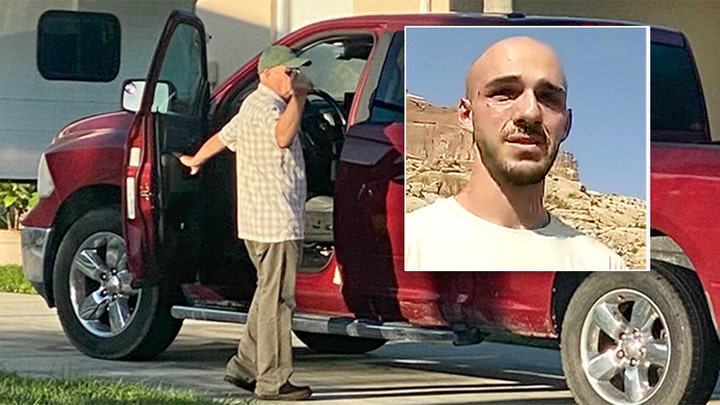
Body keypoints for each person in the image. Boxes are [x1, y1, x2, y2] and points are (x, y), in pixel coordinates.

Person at [405, 36, 627, 271]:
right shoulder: (411, 245)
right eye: (504, 93)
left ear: (567, 125)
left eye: (548, 97)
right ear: (466, 116)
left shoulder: (602, 265)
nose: (530, 112)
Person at [179, 45, 312, 400]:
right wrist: (299, 99)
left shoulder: (249, 106)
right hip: (276, 223)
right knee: (278, 301)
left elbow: (223, 137)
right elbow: (282, 137)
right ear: (266, 74)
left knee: (265, 295)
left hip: (258, 222)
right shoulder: (268, 108)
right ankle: (272, 381)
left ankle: (243, 366)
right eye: (289, 72)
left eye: (296, 72)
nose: (294, 77)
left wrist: (196, 159)